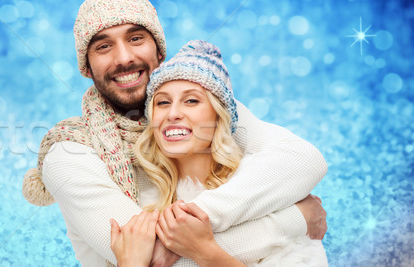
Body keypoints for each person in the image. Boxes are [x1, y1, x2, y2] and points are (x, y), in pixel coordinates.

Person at [21, 0, 328, 266]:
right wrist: (296, 219)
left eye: (136, 38)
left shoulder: (205, 102)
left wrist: (194, 221)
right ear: (87, 66)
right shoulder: (69, 151)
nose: (124, 57)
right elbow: (153, 258)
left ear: (159, 50)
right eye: (103, 46)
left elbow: (304, 159)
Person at [110, 40, 328, 266]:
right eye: (163, 102)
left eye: (191, 101)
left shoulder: (265, 190)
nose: (173, 113)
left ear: (218, 118)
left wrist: (205, 251)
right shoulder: (140, 207)